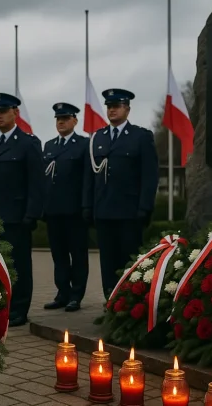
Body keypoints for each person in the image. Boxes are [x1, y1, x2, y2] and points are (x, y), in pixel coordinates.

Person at [0, 93, 44, 327]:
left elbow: (36, 183)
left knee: (19, 265)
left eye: (3, 111)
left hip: (16, 217)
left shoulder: (28, 143)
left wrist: (31, 214)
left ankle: (19, 310)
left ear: (16, 113)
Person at [82, 89, 158, 299]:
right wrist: (87, 206)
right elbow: (90, 177)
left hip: (129, 212)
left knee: (130, 261)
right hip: (104, 212)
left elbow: (150, 176)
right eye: (109, 106)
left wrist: (145, 207)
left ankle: (131, 303)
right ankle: (111, 301)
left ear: (127, 109)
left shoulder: (140, 137)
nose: (112, 110)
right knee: (108, 262)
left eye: (116, 106)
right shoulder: (98, 137)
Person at [41, 102, 89, 312]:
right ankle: (63, 293)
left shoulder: (83, 144)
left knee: (78, 255)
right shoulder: (49, 146)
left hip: (75, 211)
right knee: (58, 255)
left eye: (65, 119)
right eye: (58, 119)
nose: (61, 122)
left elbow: (87, 178)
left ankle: (76, 295)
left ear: (74, 121)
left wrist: (86, 206)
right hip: (53, 210)